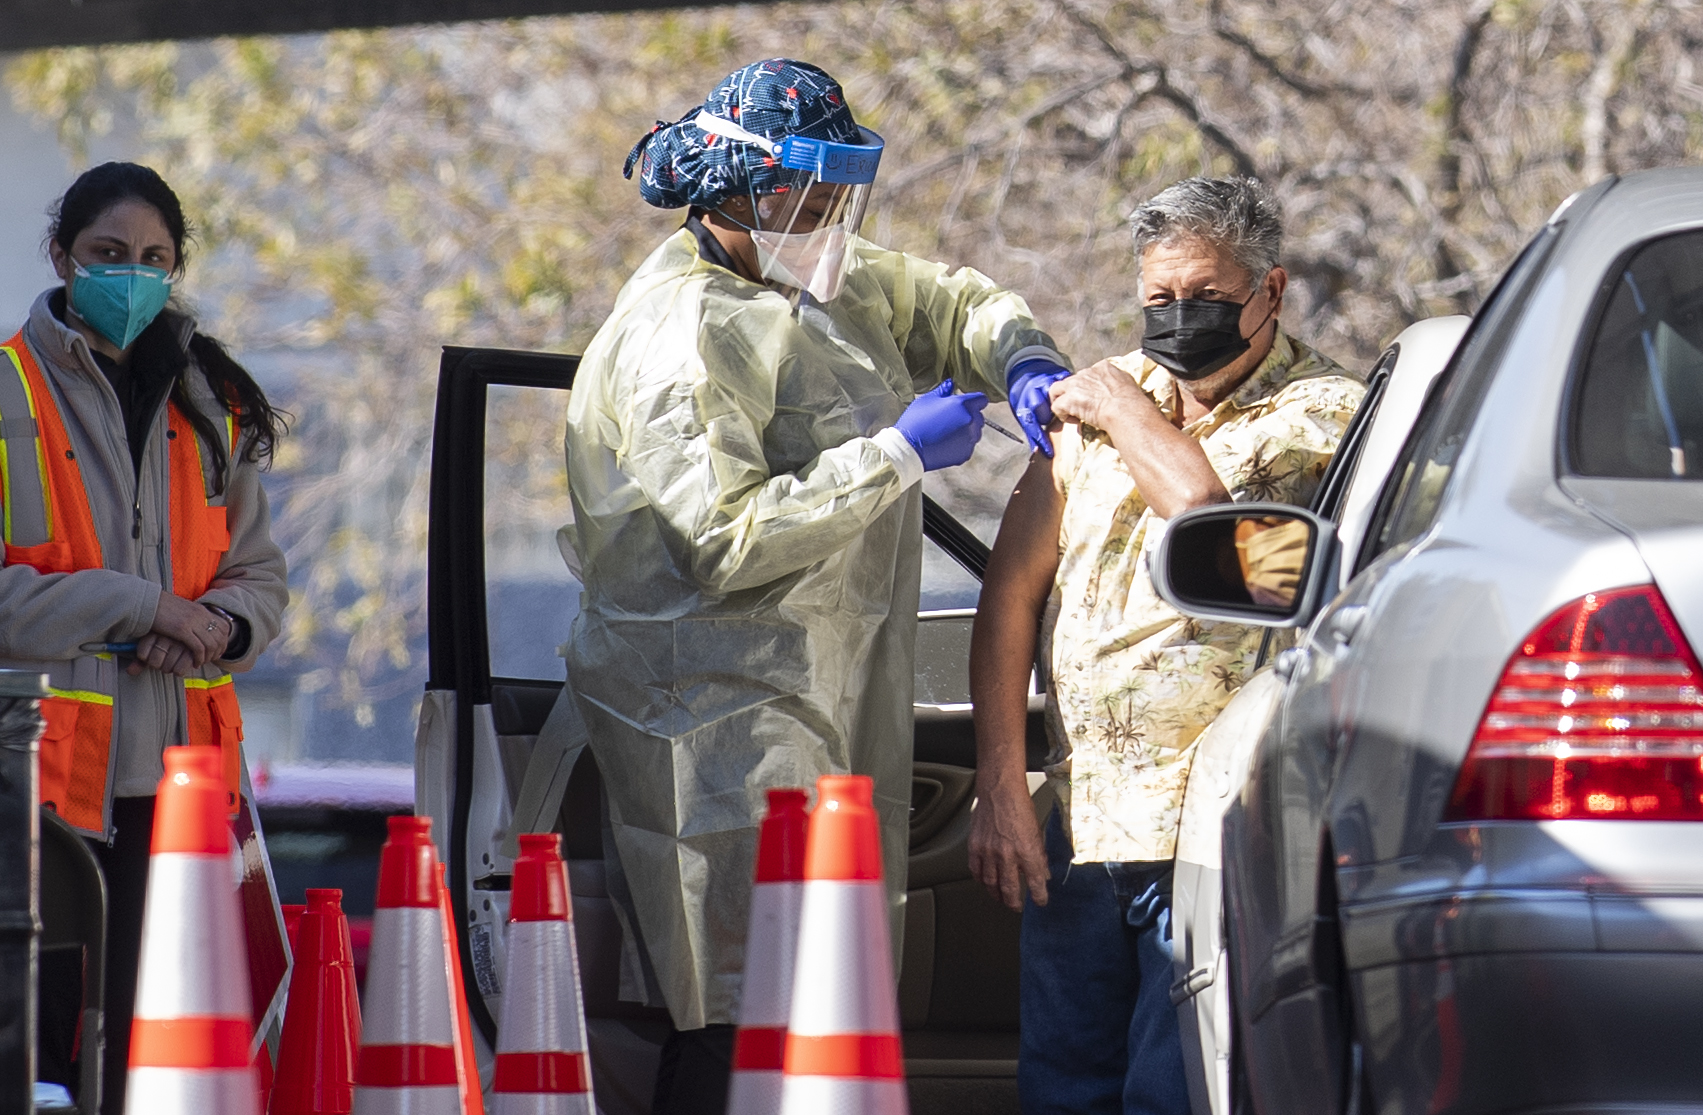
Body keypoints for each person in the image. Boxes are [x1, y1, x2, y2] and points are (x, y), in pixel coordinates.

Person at [554, 58, 1070, 1113]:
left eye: (842, 193)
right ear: (738, 195)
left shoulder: (804, 279)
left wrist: (1020, 359)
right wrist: (893, 455)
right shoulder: (679, 333)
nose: (834, 218)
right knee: (739, 1009)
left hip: (815, 694)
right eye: (810, 196)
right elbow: (722, 535)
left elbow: (945, 302)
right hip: (711, 714)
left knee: (819, 1003)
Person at [967, 175, 1364, 1114]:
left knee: (1169, 1093)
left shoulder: (1319, 413)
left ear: (1269, 291)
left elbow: (1210, 523)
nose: (1179, 319)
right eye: (1159, 300)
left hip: (1211, 834)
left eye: (1206, 299)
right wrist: (1001, 788)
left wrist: (1122, 409)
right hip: (1083, 823)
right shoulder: (1098, 409)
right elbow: (1010, 596)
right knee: (1062, 1092)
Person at [0, 162, 289, 1113]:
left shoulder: (212, 402)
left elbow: (260, 579)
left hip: (178, 800)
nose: (132, 276)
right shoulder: (7, 396)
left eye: (155, 259)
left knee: (152, 1076)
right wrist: (142, 606)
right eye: (108, 255)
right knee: (37, 1069)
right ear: (60, 257)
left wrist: (220, 626)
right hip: (37, 809)